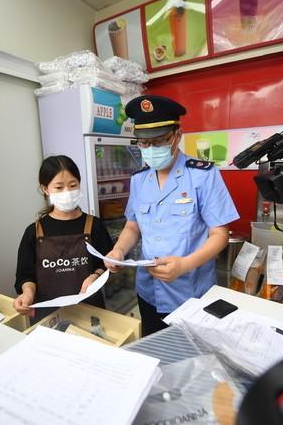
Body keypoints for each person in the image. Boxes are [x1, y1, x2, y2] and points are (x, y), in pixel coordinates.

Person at [104, 95, 239, 336]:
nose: (150, 149)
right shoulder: (138, 179)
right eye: (143, 144)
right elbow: (132, 227)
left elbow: (220, 234)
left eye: (158, 142)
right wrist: (118, 251)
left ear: (177, 136)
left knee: (192, 360)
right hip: (148, 291)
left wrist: (185, 264)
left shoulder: (202, 175)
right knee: (156, 351)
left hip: (191, 293)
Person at [13, 155, 113, 320]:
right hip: (49, 314)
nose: (67, 192)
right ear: (46, 190)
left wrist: (95, 276)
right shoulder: (34, 232)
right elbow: (25, 276)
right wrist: (28, 293)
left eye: (73, 185)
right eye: (59, 187)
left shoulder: (94, 225)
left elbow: (108, 263)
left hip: (91, 311)